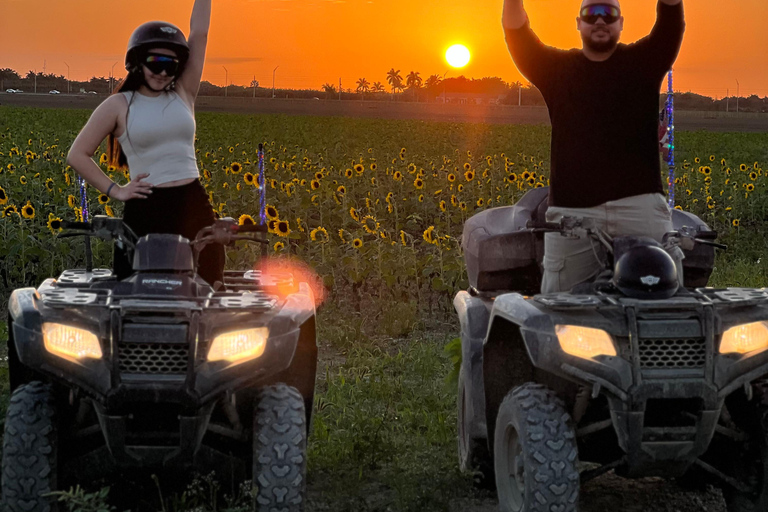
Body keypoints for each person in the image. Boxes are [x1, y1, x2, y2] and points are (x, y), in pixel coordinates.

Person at [502, 0, 686, 293]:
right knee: (561, 313)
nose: (600, 20)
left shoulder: (645, 61)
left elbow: (670, 24)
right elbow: (516, 32)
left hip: (640, 209)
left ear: (621, 22)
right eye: (592, 14)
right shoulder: (555, 70)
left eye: (608, 13)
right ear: (578, 23)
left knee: (666, 304)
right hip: (573, 214)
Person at [66, 0, 224, 286]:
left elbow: (199, 33)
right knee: (132, 294)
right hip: (144, 208)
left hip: (193, 204)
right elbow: (77, 154)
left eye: (171, 65)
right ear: (137, 62)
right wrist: (117, 190)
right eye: (156, 63)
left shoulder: (184, 92)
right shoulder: (118, 105)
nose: (163, 72)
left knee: (209, 292)